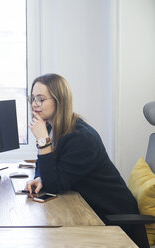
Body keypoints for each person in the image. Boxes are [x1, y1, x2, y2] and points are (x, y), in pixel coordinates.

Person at [25, 73, 144, 246]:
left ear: (59, 100)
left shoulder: (81, 138)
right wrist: (39, 178)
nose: (35, 104)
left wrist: (43, 141)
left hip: (112, 220)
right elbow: (47, 167)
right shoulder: (53, 127)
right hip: (88, 209)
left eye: (41, 99)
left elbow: (54, 185)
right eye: (33, 98)